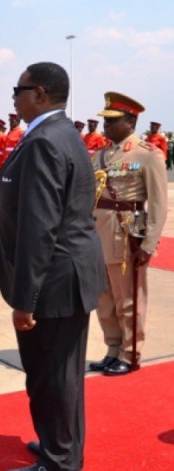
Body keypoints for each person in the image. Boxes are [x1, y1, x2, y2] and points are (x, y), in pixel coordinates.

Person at [0, 62, 106, 471]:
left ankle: (59, 461)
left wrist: (25, 299)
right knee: (62, 374)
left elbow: (40, 226)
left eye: (17, 90)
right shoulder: (62, 133)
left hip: (54, 281)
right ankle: (59, 444)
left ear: (38, 93)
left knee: (50, 376)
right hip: (67, 275)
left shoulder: (43, 140)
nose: (14, 98)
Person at [89, 93, 168, 375]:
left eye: (112, 121)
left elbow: (158, 204)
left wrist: (148, 243)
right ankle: (112, 348)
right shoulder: (102, 154)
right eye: (105, 121)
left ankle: (130, 352)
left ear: (131, 121)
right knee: (104, 299)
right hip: (99, 234)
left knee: (128, 299)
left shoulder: (147, 154)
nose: (106, 126)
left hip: (125, 236)